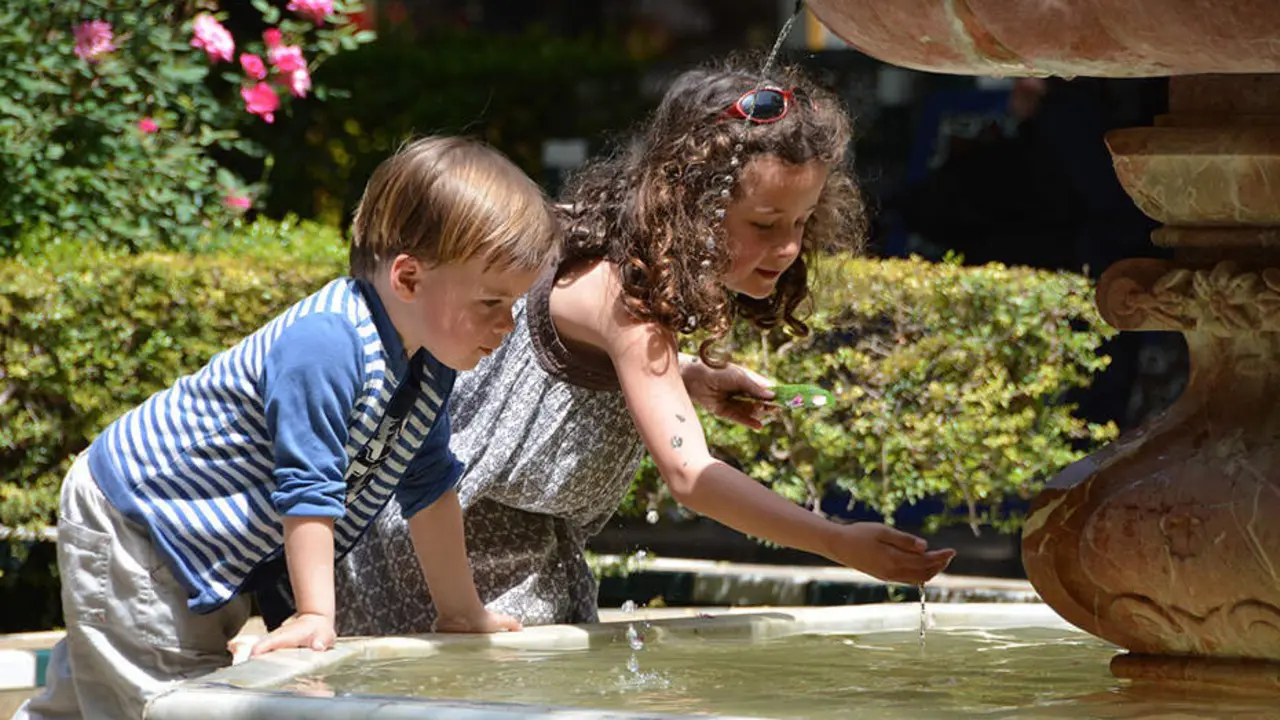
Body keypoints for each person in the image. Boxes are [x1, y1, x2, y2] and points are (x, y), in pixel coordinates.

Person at [267, 59, 957, 637]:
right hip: (437, 564)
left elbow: (555, 356)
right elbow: (691, 477)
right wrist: (834, 540)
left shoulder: (602, 249)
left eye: (802, 223)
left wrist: (688, 377)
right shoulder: (628, 303)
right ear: (690, 202)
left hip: (494, 557)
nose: (786, 247)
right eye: (764, 222)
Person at [17, 136, 559, 720]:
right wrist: (315, 616)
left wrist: (462, 612)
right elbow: (309, 486)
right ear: (407, 278)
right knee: (171, 701)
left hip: (199, 545)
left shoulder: (428, 365)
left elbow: (428, 486)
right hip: (144, 523)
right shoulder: (327, 343)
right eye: (490, 302)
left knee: (91, 697)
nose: (507, 325)